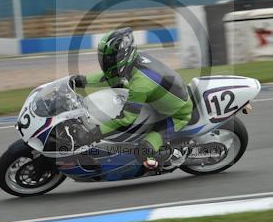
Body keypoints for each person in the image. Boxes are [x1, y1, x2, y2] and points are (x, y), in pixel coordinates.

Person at [71, 28, 193, 170]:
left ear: (123, 56)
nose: (106, 62)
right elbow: (111, 77)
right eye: (104, 57)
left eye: (109, 59)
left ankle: (174, 155)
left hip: (177, 115)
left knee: (144, 150)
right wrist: (81, 80)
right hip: (157, 101)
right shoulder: (135, 60)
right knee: (118, 88)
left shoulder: (140, 84)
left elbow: (126, 119)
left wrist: (95, 133)